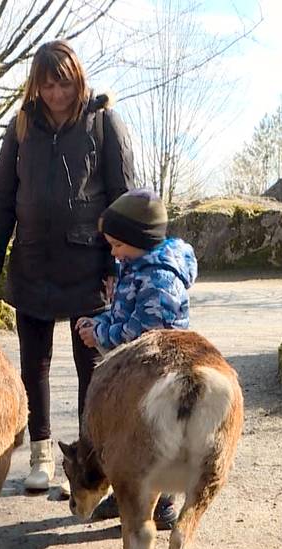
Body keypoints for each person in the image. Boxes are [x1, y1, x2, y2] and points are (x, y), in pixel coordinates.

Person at [0, 39, 136, 492]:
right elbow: (2, 198)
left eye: (63, 84)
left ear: (77, 79)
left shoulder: (103, 122)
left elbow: (122, 197)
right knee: (35, 364)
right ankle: (41, 454)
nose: (55, 93)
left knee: (92, 364)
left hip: (87, 263)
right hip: (30, 260)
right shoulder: (21, 125)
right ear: (36, 84)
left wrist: (115, 262)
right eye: (46, 85)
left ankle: (86, 455)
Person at [75, 187, 199, 528]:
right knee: (130, 437)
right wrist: (99, 322)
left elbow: (144, 331)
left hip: (157, 376)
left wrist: (99, 335)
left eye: (117, 244)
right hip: (135, 373)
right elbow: (124, 315)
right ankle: (126, 493)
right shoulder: (137, 265)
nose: (113, 253)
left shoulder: (160, 278)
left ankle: (162, 506)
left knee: (158, 436)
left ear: (140, 239)